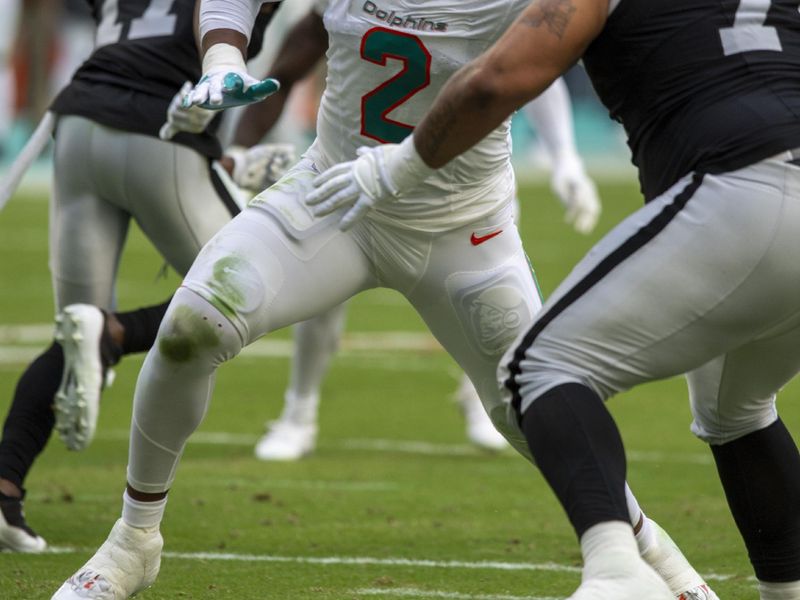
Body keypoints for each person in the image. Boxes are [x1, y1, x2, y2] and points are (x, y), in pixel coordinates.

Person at [51, 1, 718, 599]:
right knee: (189, 327)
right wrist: (223, 55)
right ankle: (133, 542)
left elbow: (540, 53)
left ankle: (659, 561)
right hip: (332, 194)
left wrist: (568, 155)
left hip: (462, 225)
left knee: (537, 409)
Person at [271, 0, 800, 598]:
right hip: (768, 184)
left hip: (743, 186)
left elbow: (503, 77)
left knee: (537, 365)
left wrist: (397, 166)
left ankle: (618, 572)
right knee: (737, 411)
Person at [0, 0, 286, 552]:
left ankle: (4, 486)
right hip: (162, 127)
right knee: (261, 286)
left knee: (72, 338)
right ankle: (117, 332)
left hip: (79, 123)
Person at [252, 75, 601, 460]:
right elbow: (317, 51)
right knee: (319, 300)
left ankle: (477, 400)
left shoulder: (495, 11)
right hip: (361, 171)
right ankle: (298, 414)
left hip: (465, 190)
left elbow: (537, 66)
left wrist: (564, 157)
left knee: (489, 308)